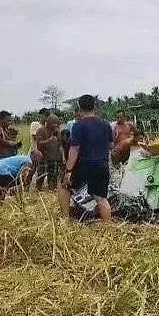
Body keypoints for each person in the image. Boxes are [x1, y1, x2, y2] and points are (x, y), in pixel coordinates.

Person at [64, 94, 113, 222]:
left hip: (85, 167)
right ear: (94, 106)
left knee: (63, 185)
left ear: (79, 107)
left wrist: (68, 170)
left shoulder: (78, 125)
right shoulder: (105, 124)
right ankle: (109, 227)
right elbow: (111, 145)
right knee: (101, 198)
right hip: (103, 165)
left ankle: (64, 219)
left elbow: (74, 149)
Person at [34, 114, 62, 190]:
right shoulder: (41, 130)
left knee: (53, 178)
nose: (55, 125)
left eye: (57, 124)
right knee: (41, 177)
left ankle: (52, 191)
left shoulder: (58, 133)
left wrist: (62, 157)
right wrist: (49, 140)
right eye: (54, 124)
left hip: (54, 158)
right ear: (49, 123)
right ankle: (38, 191)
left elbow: (60, 146)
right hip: (44, 158)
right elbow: (39, 143)